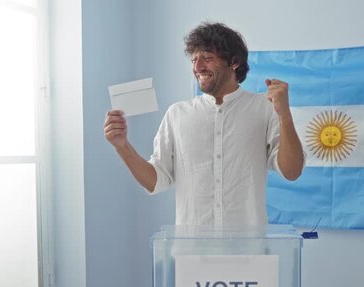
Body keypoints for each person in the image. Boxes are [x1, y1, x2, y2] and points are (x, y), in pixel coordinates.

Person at [103, 22, 304, 228]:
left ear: (234, 62)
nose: (197, 67)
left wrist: (285, 115)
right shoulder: (176, 114)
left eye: (207, 58)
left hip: (248, 249)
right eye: (194, 59)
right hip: (191, 251)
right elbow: (155, 180)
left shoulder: (265, 108)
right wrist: (122, 146)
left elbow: (292, 171)